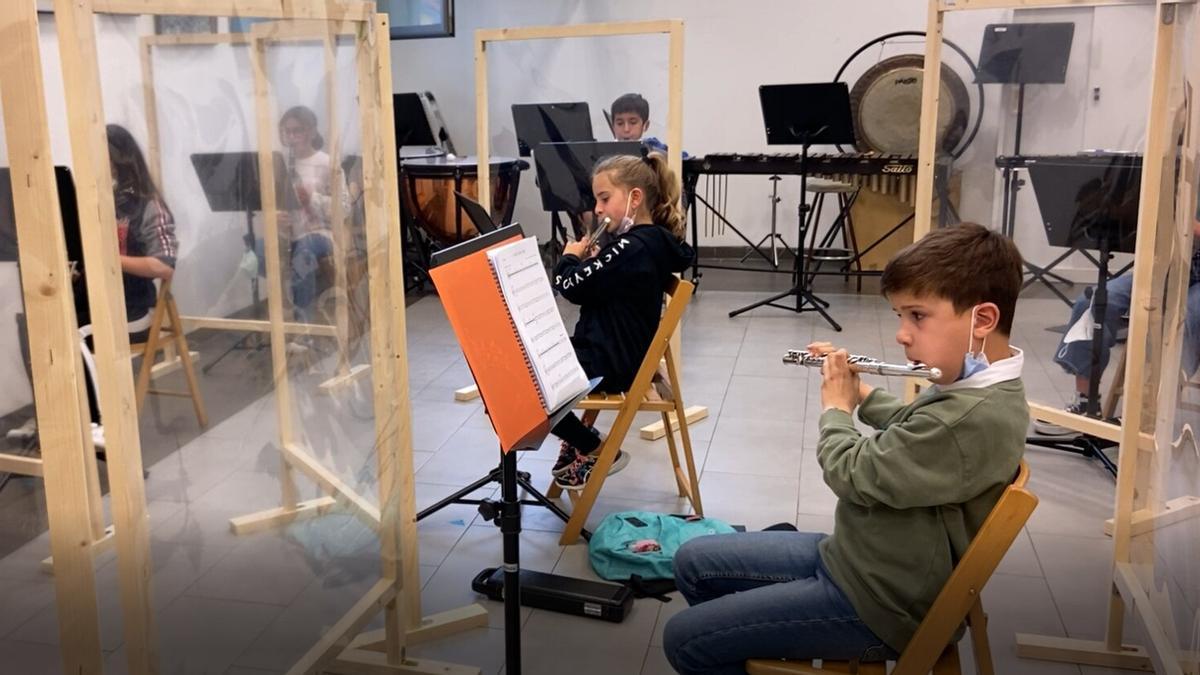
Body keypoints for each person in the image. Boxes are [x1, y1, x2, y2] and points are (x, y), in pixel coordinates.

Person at [662, 223, 1029, 674]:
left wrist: (836, 408)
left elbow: (851, 473)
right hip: (861, 557)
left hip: (878, 602)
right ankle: (761, 639)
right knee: (692, 562)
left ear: (983, 319)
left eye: (917, 315)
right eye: (899, 316)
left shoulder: (970, 416)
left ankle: (759, 640)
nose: (901, 334)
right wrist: (862, 392)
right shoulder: (980, 389)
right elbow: (916, 430)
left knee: (684, 640)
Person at [10, 125, 179, 448]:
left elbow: (162, 265)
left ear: (119, 159)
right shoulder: (89, 199)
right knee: (34, 322)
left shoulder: (148, 204)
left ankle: (96, 422)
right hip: (93, 298)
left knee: (66, 330)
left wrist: (107, 258)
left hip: (131, 307)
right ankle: (57, 414)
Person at [549, 151, 694, 490]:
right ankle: (583, 441)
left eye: (604, 198)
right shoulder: (644, 243)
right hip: (618, 352)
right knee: (523, 370)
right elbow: (608, 285)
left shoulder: (631, 248)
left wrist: (569, 260)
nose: (597, 209)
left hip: (610, 362)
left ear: (635, 198)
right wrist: (595, 263)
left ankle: (594, 448)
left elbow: (571, 287)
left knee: (520, 382)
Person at [1034, 211, 1200, 434]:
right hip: (1172, 268)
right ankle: (1085, 404)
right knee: (1094, 302)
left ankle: (1152, 417)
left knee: (1185, 318)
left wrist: (1188, 226)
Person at [276, 105, 337, 328]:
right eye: (287, 132)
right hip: (290, 232)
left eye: (297, 131)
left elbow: (344, 207)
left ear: (311, 131)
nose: (291, 137)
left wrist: (312, 198)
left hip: (319, 232)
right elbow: (271, 202)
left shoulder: (325, 162)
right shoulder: (278, 163)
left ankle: (304, 327)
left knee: (303, 252)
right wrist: (276, 217)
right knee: (258, 252)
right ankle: (278, 320)